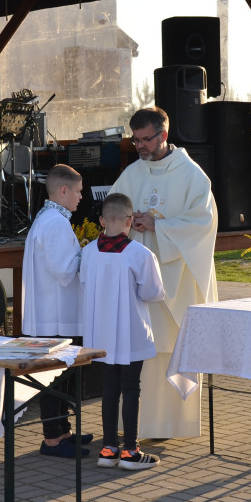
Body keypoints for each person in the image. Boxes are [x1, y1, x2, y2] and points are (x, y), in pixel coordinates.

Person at [110, 107, 218, 439]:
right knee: (141, 348)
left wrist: (160, 226)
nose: (140, 146)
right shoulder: (131, 173)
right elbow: (112, 213)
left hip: (177, 280)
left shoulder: (192, 175)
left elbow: (204, 223)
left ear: (164, 135)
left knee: (171, 345)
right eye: (135, 139)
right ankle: (136, 426)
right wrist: (129, 222)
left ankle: (173, 425)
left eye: (146, 139)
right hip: (141, 280)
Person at [80, 192, 165, 470]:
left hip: (100, 334)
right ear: (130, 221)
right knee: (130, 389)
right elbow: (153, 293)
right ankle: (130, 451)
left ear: (102, 220)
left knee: (108, 389)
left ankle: (108, 449)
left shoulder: (89, 251)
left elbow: (84, 284)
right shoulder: (141, 254)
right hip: (130, 332)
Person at [22, 163, 93, 457]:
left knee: (62, 373)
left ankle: (63, 430)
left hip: (54, 310)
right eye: (77, 191)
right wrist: (90, 251)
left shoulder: (50, 218)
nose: (80, 197)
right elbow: (64, 271)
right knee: (55, 376)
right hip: (56, 313)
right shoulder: (55, 223)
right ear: (62, 191)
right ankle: (52, 438)